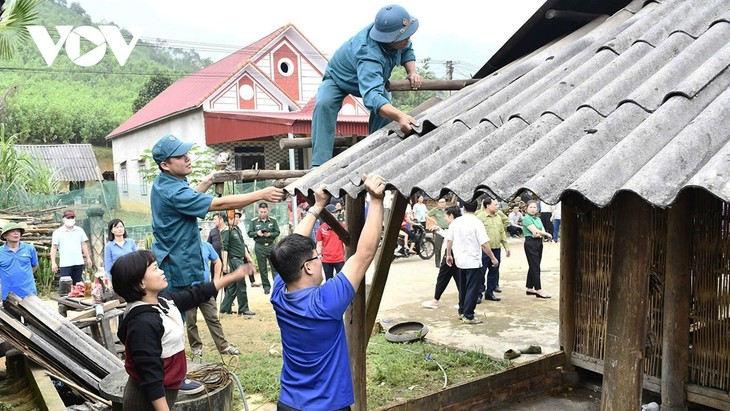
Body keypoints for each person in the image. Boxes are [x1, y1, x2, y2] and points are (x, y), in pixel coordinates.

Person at [269, 175, 385, 411]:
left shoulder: (279, 291)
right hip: (327, 406)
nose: (320, 260)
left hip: (289, 404)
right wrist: (376, 199)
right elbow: (364, 254)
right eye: (316, 257)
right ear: (308, 267)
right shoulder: (325, 303)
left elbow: (294, 246)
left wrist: (317, 207)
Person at [113, 250, 249, 410]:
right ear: (141, 283)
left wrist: (232, 276)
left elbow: (196, 294)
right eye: (155, 268)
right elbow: (150, 376)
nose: (162, 271)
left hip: (166, 389)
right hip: (147, 400)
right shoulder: (143, 322)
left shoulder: (163, 302)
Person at [150, 134, 284, 293]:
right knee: (175, 314)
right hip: (177, 265)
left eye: (186, 153)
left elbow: (190, 199)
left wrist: (211, 179)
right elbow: (220, 203)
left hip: (175, 260)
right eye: (180, 156)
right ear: (165, 165)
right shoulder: (173, 192)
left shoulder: (166, 182)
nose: (187, 158)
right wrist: (261, 194)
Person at [310, 4, 422, 167]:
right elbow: (371, 97)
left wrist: (412, 72)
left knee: (385, 111)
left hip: (375, 81)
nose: (408, 39)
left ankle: (378, 154)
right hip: (340, 78)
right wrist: (400, 116)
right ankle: (319, 165)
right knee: (324, 104)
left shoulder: (400, 39)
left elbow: (407, 49)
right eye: (404, 38)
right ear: (390, 39)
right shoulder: (369, 54)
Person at [444, 200, 498, 325]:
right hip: (473, 261)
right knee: (472, 289)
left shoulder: (456, 222)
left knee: (462, 287)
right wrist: (493, 257)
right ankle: (468, 315)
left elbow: (449, 240)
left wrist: (448, 255)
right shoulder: (477, 222)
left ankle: (462, 311)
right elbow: (484, 243)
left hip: (459, 260)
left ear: (463, 208)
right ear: (477, 208)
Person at [186, 240, 240, 357]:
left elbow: (217, 261)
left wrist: (216, 279)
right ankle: (196, 347)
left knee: (213, 318)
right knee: (191, 321)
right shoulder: (183, 247)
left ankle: (223, 346)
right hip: (188, 290)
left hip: (204, 288)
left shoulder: (206, 246)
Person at [421, 206, 461, 309]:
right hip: (459, 255)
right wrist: (439, 229)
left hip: (451, 254)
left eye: (446, 216)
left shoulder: (454, 225)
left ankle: (435, 301)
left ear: (451, 216)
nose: (445, 218)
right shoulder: (461, 223)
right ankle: (463, 301)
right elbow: (448, 236)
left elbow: (449, 240)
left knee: (442, 277)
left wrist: (448, 255)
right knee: (459, 278)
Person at [220, 210, 257, 316]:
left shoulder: (238, 229)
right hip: (234, 260)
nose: (237, 219)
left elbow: (242, 245)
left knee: (233, 286)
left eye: (238, 217)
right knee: (241, 285)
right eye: (234, 217)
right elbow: (224, 248)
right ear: (229, 218)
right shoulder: (227, 231)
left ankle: (224, 307)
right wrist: (225, 264)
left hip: (240, 259)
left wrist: (249, 258)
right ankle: (243, 309)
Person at [475, 198, 511, 303]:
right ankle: (478, 294)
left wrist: (506, 246)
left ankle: (490, 293)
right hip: (484, 249)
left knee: (494, 272)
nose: (497, 207)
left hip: (496, 248)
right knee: (481, 272)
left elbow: (502, 232)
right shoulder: (479, 218)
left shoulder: (498, 217)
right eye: (495, 205)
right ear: (487, 206)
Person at [50, 210, 92, 284]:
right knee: (66, 286)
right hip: (65, 263)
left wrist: (88, 258)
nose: (70, 219)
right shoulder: (57, 232)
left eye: (72, 218)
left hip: (78, 262)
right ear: (63, 219)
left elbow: (83, 244)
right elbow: (54, 247)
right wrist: (53, 262)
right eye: (68, 218)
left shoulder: (79, 230)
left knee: (78, 285)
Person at [247, 202, 280, 295]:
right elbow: (249, 233)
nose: (263, 213)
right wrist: (256, 233)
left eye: (265, 212)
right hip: (259, 246)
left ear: (268, 210)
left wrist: (270, 234)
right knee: (263, 268)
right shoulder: (254, 222)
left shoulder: (273, 221)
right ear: (258, 211)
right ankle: (266, 287)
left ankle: (277, 286)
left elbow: (277, 232)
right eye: (261, 212)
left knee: (275, 267)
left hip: (271, 245)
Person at [522, 200, 553, 298]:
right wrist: (546, 234)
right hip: (531, 243)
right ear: (526, 208)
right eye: (530, 207)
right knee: (535, 266)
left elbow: (541, 230)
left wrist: (541, 234)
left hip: (539, 243)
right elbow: (534, 231)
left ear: (537, 208)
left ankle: (530, 287)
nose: (532, 209)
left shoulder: (537, 218)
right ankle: (538, 289)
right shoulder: (526, 218)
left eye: (534, 207)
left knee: (534, 264)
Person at [0, 223, 38, 301]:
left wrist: (24, 276)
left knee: (31, 313)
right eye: (12, 231)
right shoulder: (0, 252)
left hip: (29, 293)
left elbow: (35, 266)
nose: (16, 233)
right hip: (8, 294)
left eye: (18, 231)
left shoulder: (29, 249)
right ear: (5, 236)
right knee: (9, 313)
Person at [315, 204, 346, 281]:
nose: (335, 214)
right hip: (326, 260)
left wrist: (345, 256)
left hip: (340, 259)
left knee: (340, 280)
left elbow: (345, 243)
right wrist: (318, 256)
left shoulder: (342, 227)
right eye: (333, 213)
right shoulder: (321, 228)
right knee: (328, 280)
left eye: (336, 212)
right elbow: (319, 244)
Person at [427, 198, 449, 267]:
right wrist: (434, 222)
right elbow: (427, 215)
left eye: (443, 202)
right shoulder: (435, 210)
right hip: (439, 230)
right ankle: (437, 263)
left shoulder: (448, 210)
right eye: (441, 202)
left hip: (448, 230)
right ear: (438, 203)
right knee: (438, 247)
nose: (442, 203)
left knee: (449, 247)